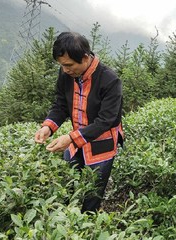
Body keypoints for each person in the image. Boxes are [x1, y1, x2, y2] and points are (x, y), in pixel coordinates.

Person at [34, 32, 124, 213]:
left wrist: (71, 138)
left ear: (85, 57)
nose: (65, 69)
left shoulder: (110, 80)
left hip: (101, 144)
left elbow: (105, 120)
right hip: (75, 140)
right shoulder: (66, 73)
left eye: (69, 65)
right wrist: (48, 127)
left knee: (93, 192)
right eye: (62, 65)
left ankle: (87, 224)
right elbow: (60, 104)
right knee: (67, 184)